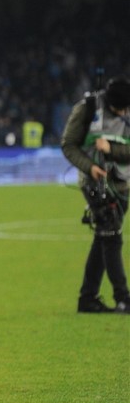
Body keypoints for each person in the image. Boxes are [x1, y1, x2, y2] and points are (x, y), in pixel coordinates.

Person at [60, 76, 130, 314]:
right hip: (95, 184)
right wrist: (90, 167)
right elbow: (68, 144)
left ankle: (88, 299)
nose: (123, 113)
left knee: (103, 238)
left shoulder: (127, 108)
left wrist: (112, 149)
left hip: (122, 184)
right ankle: (123, 298)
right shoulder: (87, 109)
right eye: (119, 109)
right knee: (112, 237)